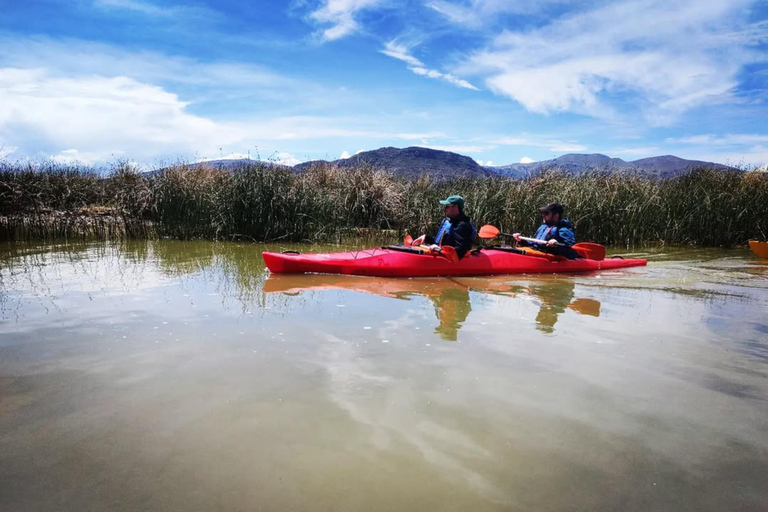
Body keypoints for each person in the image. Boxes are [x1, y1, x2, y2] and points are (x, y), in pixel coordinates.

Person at [413, 195, 476, 259]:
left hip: (452, 261)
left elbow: (460, 250)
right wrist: (426, 238)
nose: (444, 209)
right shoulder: (450, 222)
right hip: (443, 255)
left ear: (455, 207)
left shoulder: (462, 226)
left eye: (447, 206)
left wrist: (440, 250)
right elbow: (439, 244)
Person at [513, 202, 579, 259]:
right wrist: (521, 240)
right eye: (543, 213)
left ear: (556, 216)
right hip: (538, 253)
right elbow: (535, 244)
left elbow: (569, 249)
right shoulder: (543, 227)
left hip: (552, 258)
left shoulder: (563, 229)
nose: (543, 215)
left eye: (546, 213)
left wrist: (557, 245)